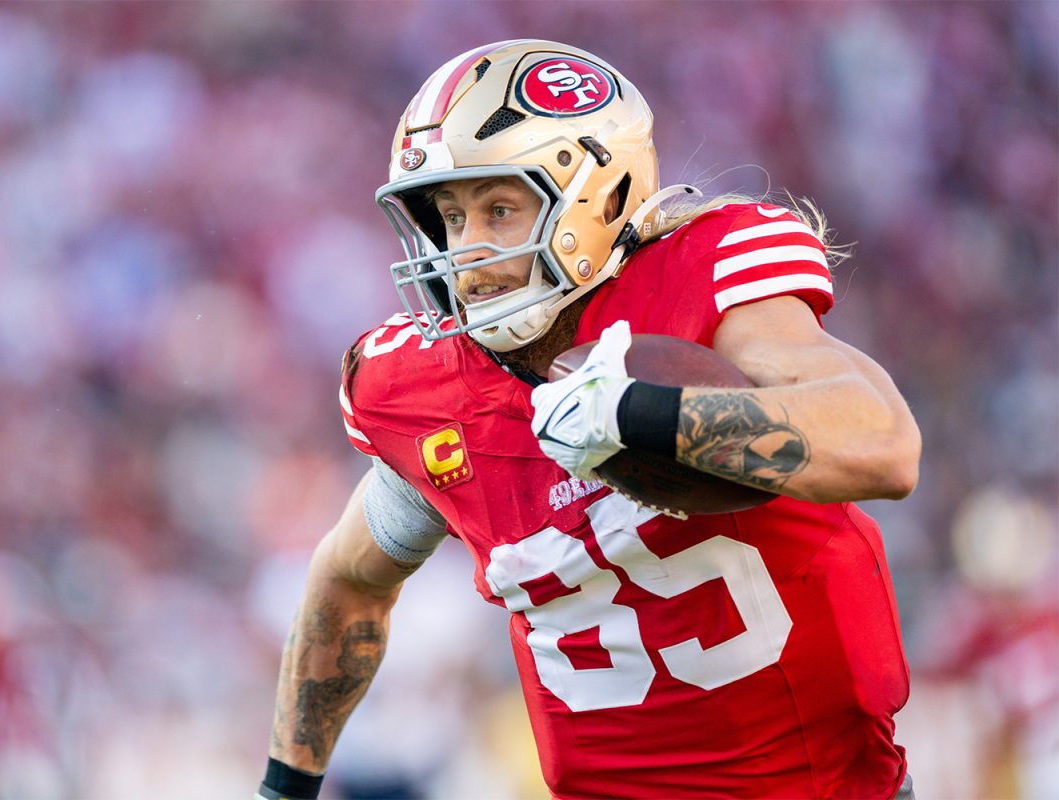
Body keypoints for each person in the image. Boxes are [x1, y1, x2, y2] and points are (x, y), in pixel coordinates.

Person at [258, 39, 921, 800]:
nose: (464, 253)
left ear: (600, 199)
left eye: (499, 210)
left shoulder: (701, 284)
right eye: (447, 215)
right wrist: (286, 785)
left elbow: (884, 447)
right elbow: (347, 580)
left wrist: (643, 413)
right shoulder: (425, 394)